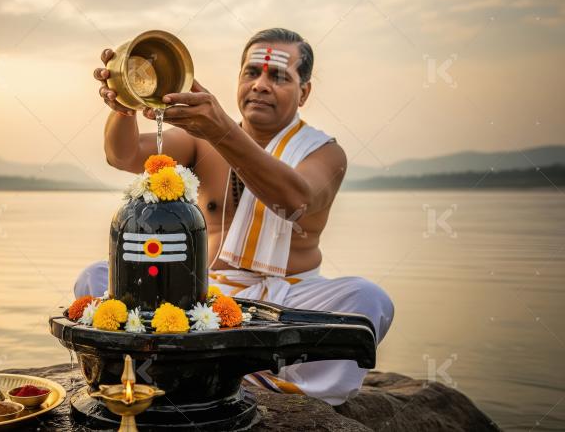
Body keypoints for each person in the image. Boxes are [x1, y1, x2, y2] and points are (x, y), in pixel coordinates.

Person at [76, 27, 394, 406]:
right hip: (206, 293)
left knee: (367, 299)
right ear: (239, 79)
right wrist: (124, 104)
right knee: (96, 276)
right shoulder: (201, 140)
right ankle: (141, 374)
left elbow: (292, 202)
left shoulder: (325, 153)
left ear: (304, 92)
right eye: (251, 73)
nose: (260, 85)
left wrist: (221, 127)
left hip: (289, 302)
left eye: (278, 76)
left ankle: (294, 394)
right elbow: (123, 155)